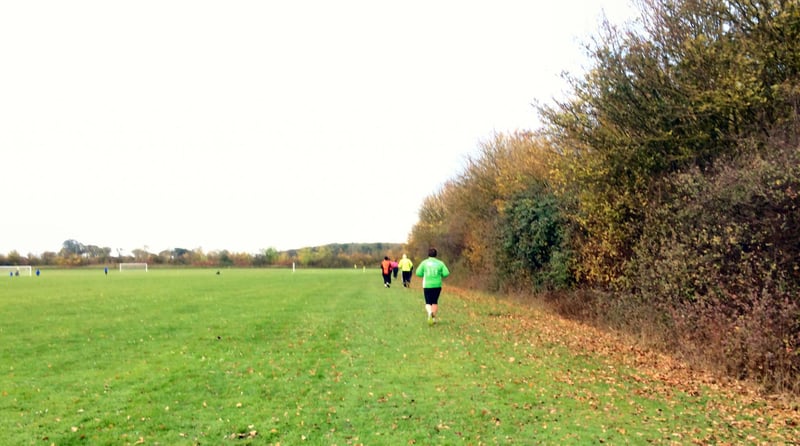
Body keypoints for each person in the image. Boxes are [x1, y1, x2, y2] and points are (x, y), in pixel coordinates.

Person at [415, 248, 450, 325]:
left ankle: (429, 312)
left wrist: (423, 274)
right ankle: (433, 318)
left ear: (428, 254)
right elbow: (446, 273)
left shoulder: (424, 263)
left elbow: (418, 273)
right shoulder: (440, 263)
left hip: (427, 285)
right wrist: (440, 274)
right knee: (434, 301)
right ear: (436, 255)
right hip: (437, 285)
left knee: (428, 302)